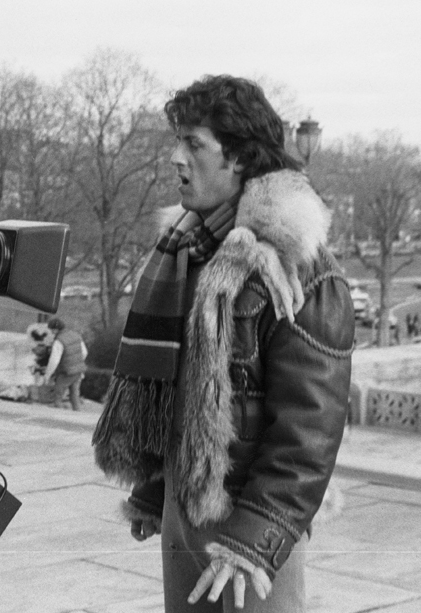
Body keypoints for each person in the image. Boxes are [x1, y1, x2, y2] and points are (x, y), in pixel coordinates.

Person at [92, 75, 354, 612]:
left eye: (194, 144)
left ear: (239, 158)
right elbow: (179, 391)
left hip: (249, 530)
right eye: (177, 141)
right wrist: (156, 488)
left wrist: (254, 539)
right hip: (185, 509)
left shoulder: (298, 267)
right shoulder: (186, 249)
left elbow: (310, 428)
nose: (175, 158)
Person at [42, 317, 88, 411]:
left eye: (52, 330)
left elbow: (54, 360)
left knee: (57, 396)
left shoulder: (59, 341)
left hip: (66, 372)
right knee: (74, 396)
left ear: (56, 329)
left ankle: (58, 416)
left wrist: (47, 375)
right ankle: (78, 415)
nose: (51, 332)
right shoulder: (76, 335)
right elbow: (84, 352)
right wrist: (76, 363)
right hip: (78, 371)